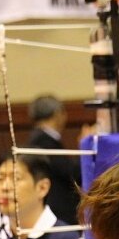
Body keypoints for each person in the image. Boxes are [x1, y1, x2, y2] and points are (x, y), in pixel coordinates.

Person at [25, 95, 82, 225]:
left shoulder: (39, 139)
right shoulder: (44, 141)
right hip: (58, 213)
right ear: (58, 114)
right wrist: (85, 147)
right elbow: (71, 173)